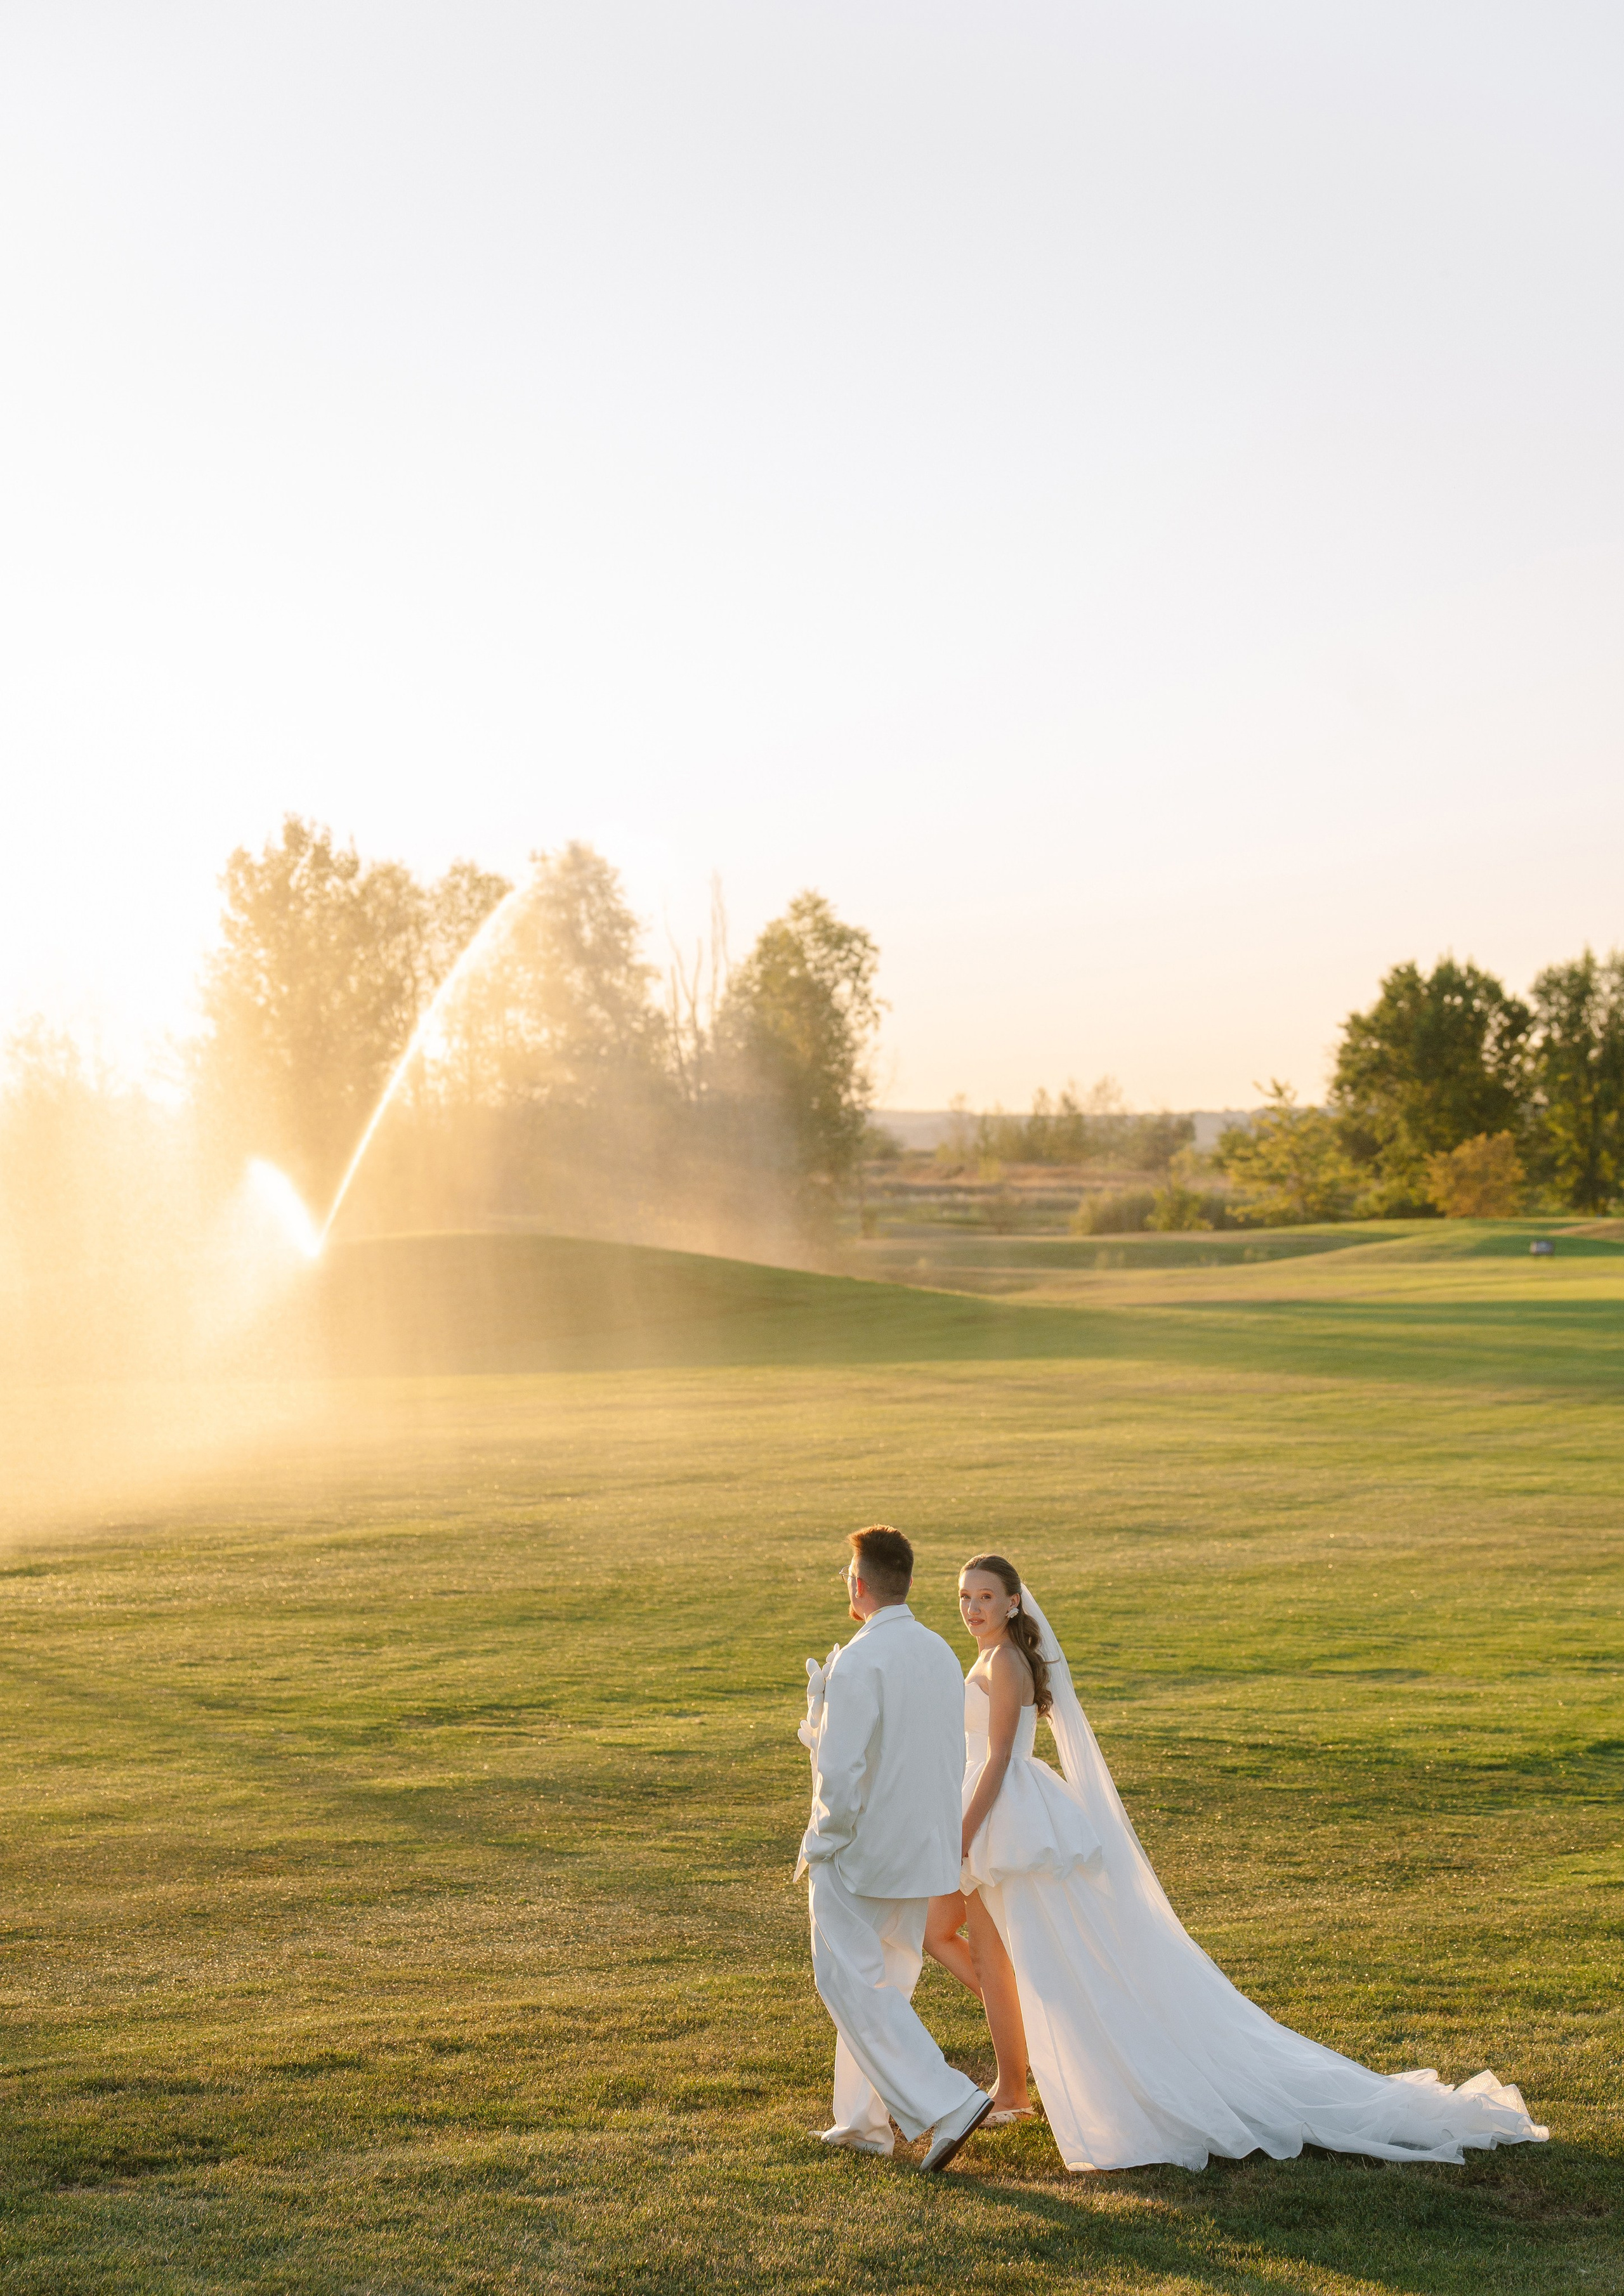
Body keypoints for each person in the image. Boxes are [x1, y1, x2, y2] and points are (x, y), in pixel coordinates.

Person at [926, 1552, 1549, 2174]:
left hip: (1007, 1822)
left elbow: (1004, 1755)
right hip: (996, 1817)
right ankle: (1014, 2084)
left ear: (1013, 1602)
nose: (971, 1608)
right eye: (963, 1596)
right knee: (982, 1949)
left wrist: (961, 1833)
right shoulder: (984, 1656)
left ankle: (1016, 2086)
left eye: (984, 1596)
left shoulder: (1005, 1660)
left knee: (1009, 1953)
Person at [797, 1525, 994, 2170]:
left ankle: (948, 2101)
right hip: (921, 1853)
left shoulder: (859, 1658)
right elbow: (924, 1750)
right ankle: (862, 2122)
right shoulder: (939, 1651)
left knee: (850, 1983)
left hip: (861, 1853)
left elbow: (844, 1771)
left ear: (858, 1585)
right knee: (883, 1985)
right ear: (905, 1581)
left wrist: (821, 1842)